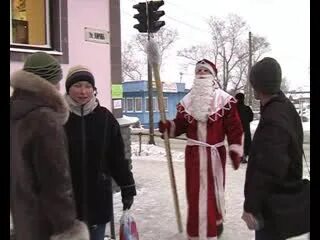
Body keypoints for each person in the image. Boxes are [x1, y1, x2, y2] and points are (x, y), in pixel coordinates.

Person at [159, 59, 244, 239]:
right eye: (199, 71)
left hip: (215, 155)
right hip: (194, 157)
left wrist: (235, 150)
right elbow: (180, 125)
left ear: (213, 76)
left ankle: (214, 226)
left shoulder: (225, 100)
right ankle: (196, 233)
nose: (202, 74)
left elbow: (235, 128)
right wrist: (169, 127)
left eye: (206, 71)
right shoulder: (187, 101)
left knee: (213, 192)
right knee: (195, 195)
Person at [10, 52, 89, 240]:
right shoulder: (45, 120)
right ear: (52, 83)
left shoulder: (16, 113)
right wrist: (68, 230)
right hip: (47, 226)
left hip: (24, 220)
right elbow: (56, 183)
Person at [64, 65, 137, 240]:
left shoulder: (105, 118)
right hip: (65, 200)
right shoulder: (58, 116)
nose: (83, 91)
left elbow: (118, 157)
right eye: (77, 85)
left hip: (97, 196)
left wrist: (128, 187)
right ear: (68, 88)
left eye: (88, 86)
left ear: (94, 89)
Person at [241, 57, 304, 240]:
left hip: (274, 204)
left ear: (257, 87)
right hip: (283, 197)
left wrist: (251, 207)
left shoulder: (273, 119)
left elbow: (268, 169)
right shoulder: (286, 108)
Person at [235, 93, 254, 163]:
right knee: (246, 142)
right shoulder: (247, 108)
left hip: (236, 129)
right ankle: (244, 156)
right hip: (245, 128)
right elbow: (251, 118)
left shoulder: (234, 109)